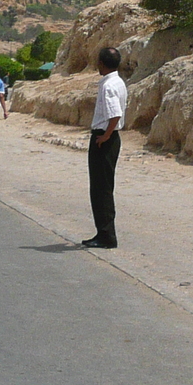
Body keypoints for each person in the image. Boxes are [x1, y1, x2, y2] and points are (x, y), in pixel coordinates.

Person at [82, 47, 127, 250]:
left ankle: (106, 235)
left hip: (104, 138)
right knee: (104, 187)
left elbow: (115, 114)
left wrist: (105, 135)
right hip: (110, 138)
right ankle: (104, 232)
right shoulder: (118, 81)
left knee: (101, 189)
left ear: (101, 63)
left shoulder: (108, 85)